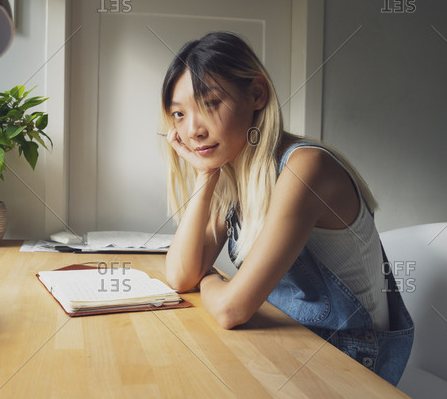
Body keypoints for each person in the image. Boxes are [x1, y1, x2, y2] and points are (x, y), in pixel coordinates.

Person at [161, 31, 413, 385]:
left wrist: (212, 278)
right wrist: (205, 177)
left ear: (256, 94)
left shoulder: (303, 168)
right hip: (295, 343)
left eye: (210, 104)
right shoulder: (235, 172)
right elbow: (179, 275)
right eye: (179, 114)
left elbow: (231, 309)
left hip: (354, 361)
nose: (193, 130)